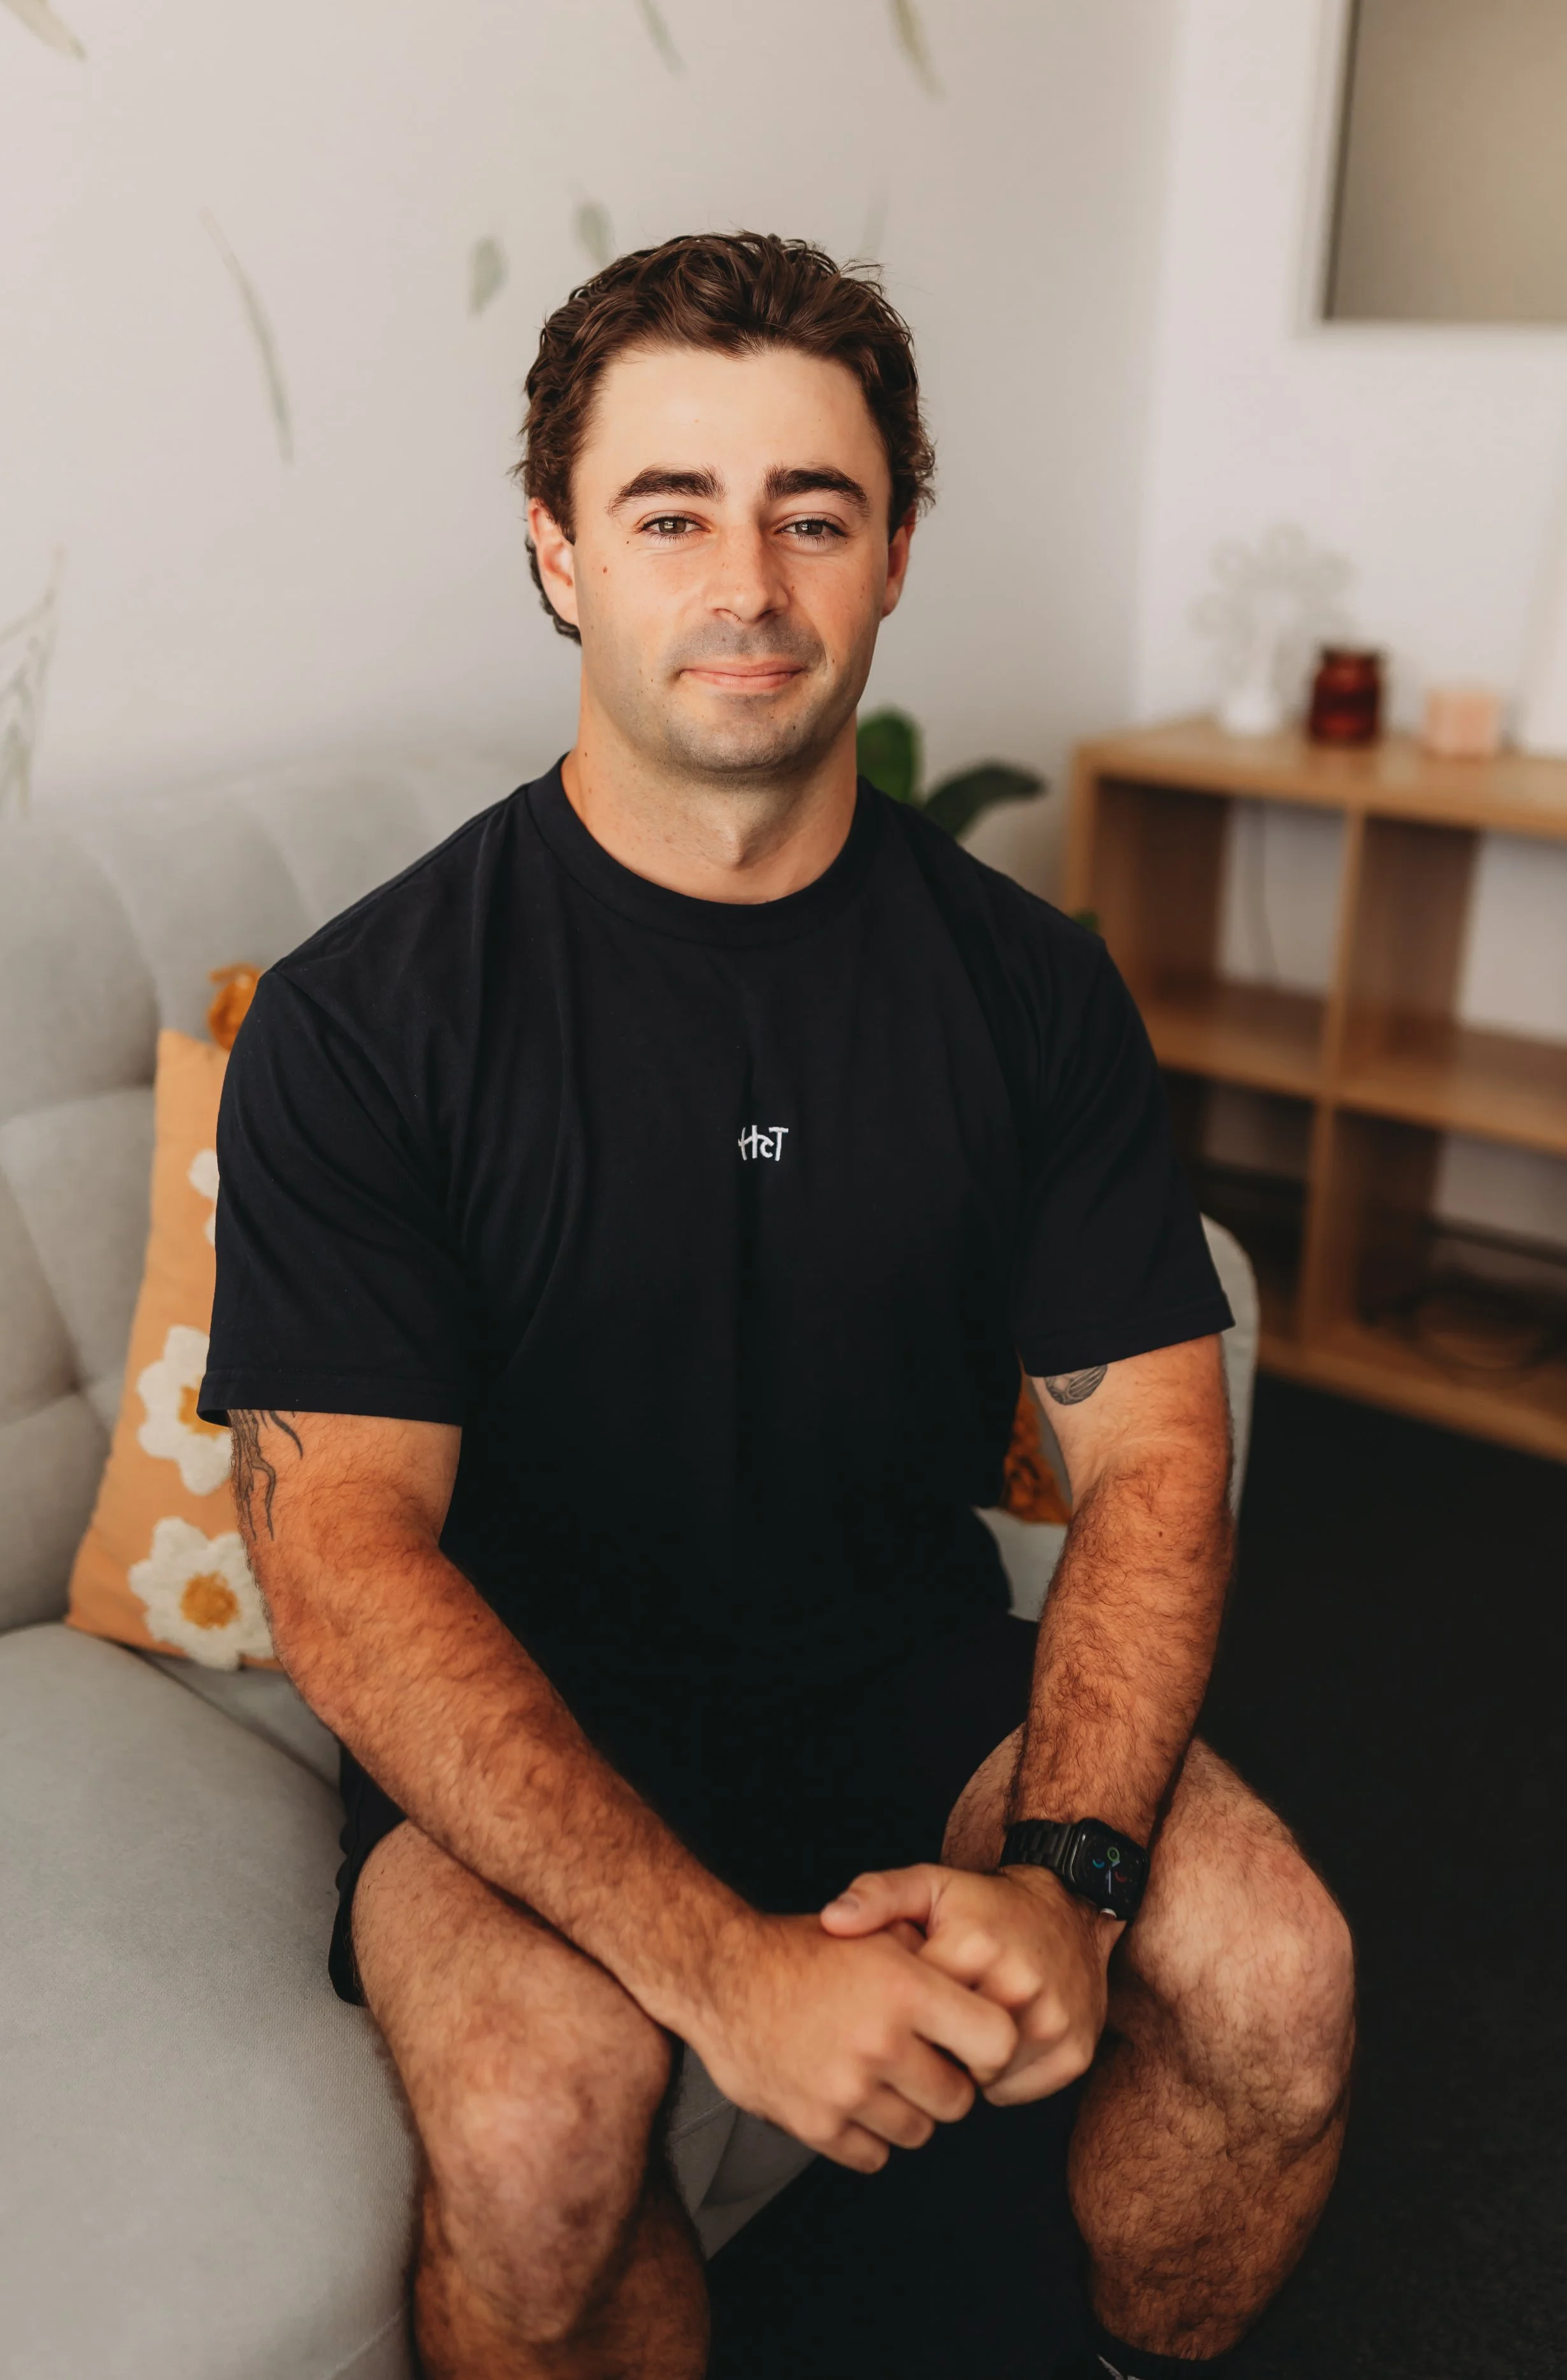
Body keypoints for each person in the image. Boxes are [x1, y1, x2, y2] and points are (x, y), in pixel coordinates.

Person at [201, 233, 1354, 2380]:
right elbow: (338, 1555)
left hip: (903, 1668)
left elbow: (1152, 1453)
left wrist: (1074, 1886)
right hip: (529, 1702)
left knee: (1274, 1970)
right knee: (544, 2122)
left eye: (810, 510)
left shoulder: (1025, 989)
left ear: (894, 551)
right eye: (669, 510)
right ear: (556, 552)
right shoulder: (366, 1021)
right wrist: (724, 1971)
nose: (746, 578)